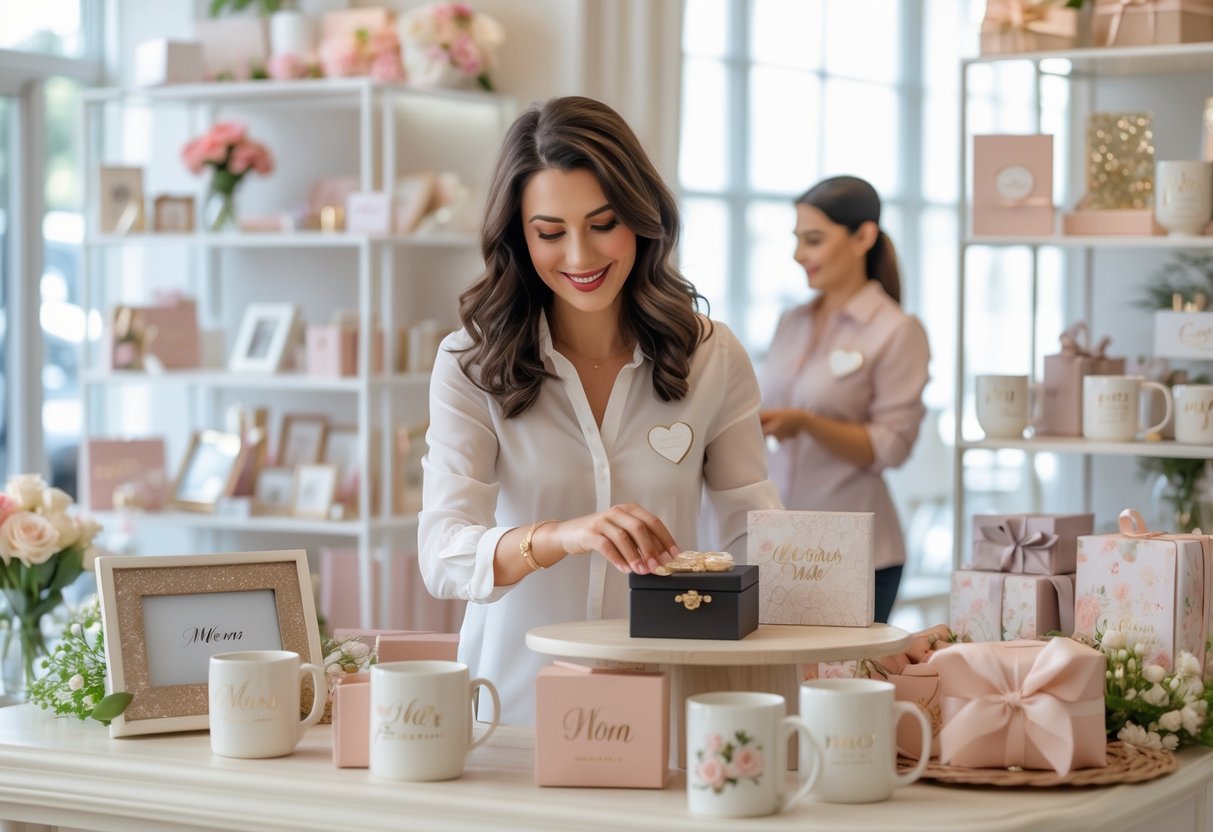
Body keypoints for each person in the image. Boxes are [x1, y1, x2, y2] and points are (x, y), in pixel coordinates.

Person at [418, 96, 781, 725]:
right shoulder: (470, 362)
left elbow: (753, 528)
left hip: (674, 702)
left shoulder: (712, 356)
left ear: (643, 218)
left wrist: (846, 631)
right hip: (514, 707)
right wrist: (563, 536)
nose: (581, 258)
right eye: (551, 233)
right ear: (519, 237)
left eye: (604, 223)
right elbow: (443, 553)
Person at [758, 175, 929, 624]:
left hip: (855, 555)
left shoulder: (896, 330)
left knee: (838, 690)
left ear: (863, 237)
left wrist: (807, 424)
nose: (799, 255)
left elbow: (890, 447)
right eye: (797, 240)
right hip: (778, 546)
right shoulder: (790, 322)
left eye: (813, 240)